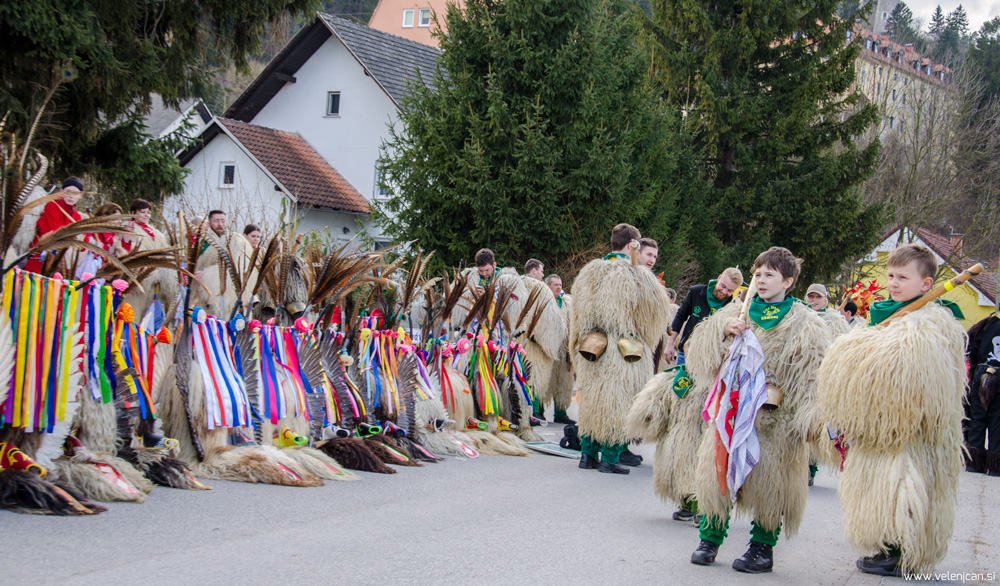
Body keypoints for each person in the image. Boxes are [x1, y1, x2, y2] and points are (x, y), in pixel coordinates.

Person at [817, 243, 966, 577]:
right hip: (879, 428)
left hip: (912, 430)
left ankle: (901, 552)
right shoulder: (884, 315)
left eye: (903, 277)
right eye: (891, 276)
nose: (894, 283)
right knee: (880, 488)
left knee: (905, 489)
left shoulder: (931, 324)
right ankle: (887, 546)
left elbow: (911, 373)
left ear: (926, 284)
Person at [687, 246, 829, 574]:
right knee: (716, 476)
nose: (761, 280)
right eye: (758, 274)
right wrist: (721, 331)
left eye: (770, 275)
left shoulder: (806, 323)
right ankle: (709, 538)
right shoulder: (739, 311)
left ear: (789, 281)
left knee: (770, 485)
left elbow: (813, 374)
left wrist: (809, 418)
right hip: (731, 413)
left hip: (774, 419)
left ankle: (762, 548)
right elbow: (700, 356)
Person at [570, 223, 670, 474]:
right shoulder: (635, 275)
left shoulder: (590, 272)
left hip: (591, 348)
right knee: (618, 403)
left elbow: (576, 313)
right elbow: (654, 316)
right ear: (631, 245)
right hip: (624, 351)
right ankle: (610, 458)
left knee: (592, 401)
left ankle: (588, 455)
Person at [664, 268, 742, 365]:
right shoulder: (696, 292)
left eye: (730, 291)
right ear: (719, 278)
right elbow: (680, 317)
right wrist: (670, 344)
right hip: (685, 354)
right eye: (723, 286)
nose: (724, 292)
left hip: (710, 361)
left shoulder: (732, 306)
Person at [965, 312, 1000, 475]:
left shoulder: (986, 325)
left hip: (982, 372)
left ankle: (973, 463)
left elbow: (971, 348)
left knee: (977, 418)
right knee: (997, 421)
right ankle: (995, 467)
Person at [543, 273, 575, 425]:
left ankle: (561, 412)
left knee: (563, 381)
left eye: (560, 284)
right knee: (545, 380)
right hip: (548, 348)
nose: (559, 287)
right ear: (548, 286)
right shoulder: (544, 301)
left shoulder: (567, 303)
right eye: (555, 284)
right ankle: (538, 411)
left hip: (564, 349)